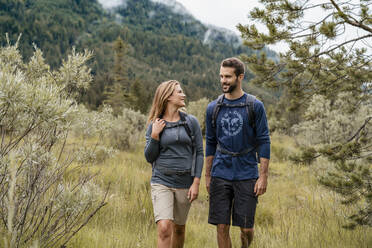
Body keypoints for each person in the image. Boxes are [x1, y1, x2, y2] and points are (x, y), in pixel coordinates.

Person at [205, 57, 271, 248]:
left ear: (240, 77)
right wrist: (208, 175)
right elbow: (210, 143)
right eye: (221, 76)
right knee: (221, 226)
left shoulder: (255, 106)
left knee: (246, 228)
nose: (223, 81)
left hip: (247, 173)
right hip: (220, 173)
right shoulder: (213, 108)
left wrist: (263, 176)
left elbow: (264, 141)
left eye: (228, 77)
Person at [144, 80, 204, 248]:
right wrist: (155, 136)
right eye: (179, 92)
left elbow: (199, 153)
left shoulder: (191, 122)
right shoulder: (154, 125)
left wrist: (196, 182)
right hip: (161, 180)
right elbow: (149, 157)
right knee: (164, 228)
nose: (183, 94)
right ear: (168, 97)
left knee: (179, 229)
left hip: (185, 183)